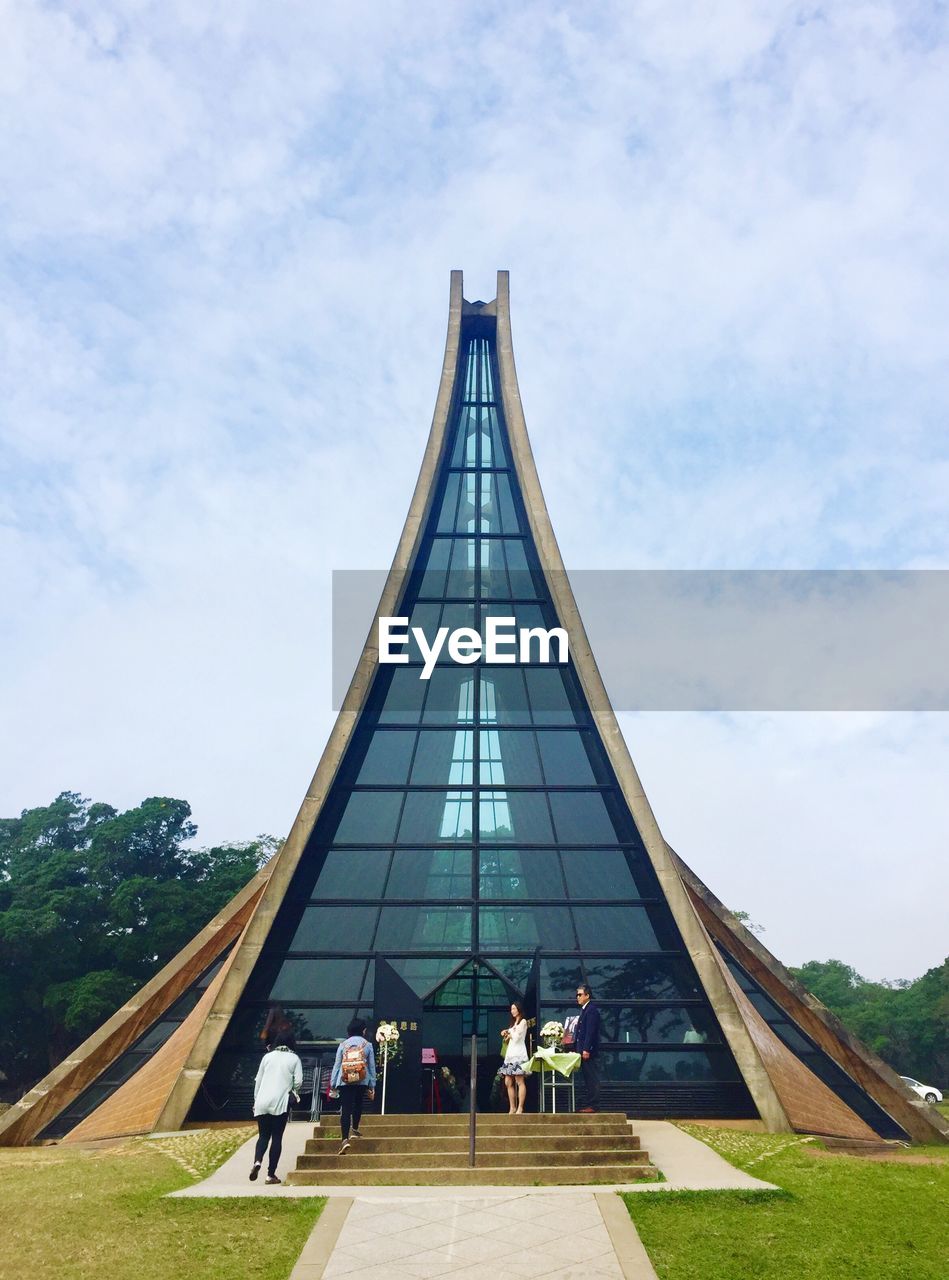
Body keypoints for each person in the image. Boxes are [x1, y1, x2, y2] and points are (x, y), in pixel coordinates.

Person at [250, 1033, 303, 1184]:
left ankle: (257, 1161)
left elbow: (258, 1080)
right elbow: (298, 1081)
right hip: (280, 1101)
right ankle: (270, 1174)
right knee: (277, 1137)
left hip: (262, 1101)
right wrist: (293, 1091)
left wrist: (256, 1100)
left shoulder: (267, 1057)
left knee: (263, 1136)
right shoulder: (294, 1058)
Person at [331, 1018, 377, 1155]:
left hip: (345, 1080)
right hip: (362, 1079)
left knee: (346, 1109)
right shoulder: (367, 1045)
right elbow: (372, 1066)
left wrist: (333, 1083)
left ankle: (344, 1139)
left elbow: (337, 1065)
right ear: (363, 1030)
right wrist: (372, 1085)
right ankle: (355, 1129)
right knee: (358, 1104)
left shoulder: (343, 1045)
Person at [499, 1001, 531, 1114]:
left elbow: (517, 1037)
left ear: (519, 1009)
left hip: (519, 1054)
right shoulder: (513, 1024)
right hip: (510, 1055)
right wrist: (505, 1033)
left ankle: (520, 1107)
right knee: (508, 1081)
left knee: (519, 1080)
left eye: (514, 1009)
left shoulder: (523, 1022)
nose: (512, 1011)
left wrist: (508, 1033)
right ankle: (512, 1107)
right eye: (511, 1009)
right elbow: (509, 1040)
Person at [574, 984, 601, 1112]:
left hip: (588, 1051)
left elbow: (590, 1031)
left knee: (591, 1077)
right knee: (587, 1077)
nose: (577, 997)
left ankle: (593, 1104)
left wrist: (586, 1049)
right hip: (582, 1050)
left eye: (580, 994)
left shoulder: (591, 1010)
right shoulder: (585, 1010)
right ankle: (589, 1103)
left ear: (587, 995)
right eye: (577, 995)